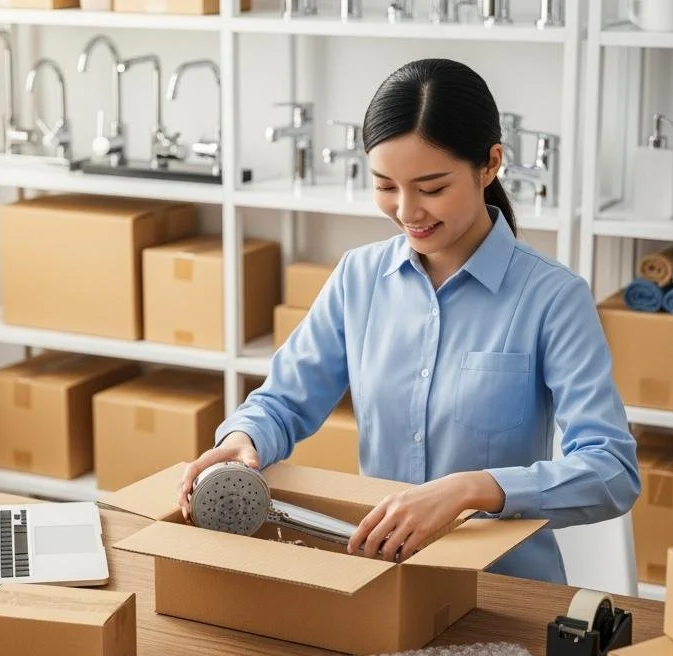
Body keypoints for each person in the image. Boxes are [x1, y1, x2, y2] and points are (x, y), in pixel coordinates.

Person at [176, 58, 640, 585]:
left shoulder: (553, 297)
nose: (407, 211)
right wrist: (245, 439)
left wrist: (473, 489)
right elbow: (283, 402)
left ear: (490, 165)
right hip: (382, 579)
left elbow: (612, 470)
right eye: (385, 186)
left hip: (503, 590)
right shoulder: (359, 278)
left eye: (432, 188)